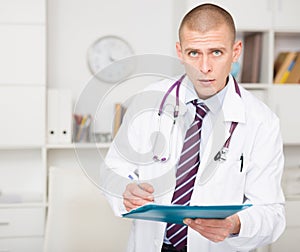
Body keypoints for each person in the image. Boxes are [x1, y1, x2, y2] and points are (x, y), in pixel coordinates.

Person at [103, 3, 285, 252]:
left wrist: (235, 224)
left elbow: (272, 213)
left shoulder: (262, 121)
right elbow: (114, 168)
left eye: (216, 52)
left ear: (236, 51)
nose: (205, 67)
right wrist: (126, 190)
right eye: (193, 53)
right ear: (180, 52)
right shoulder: (149, 101)